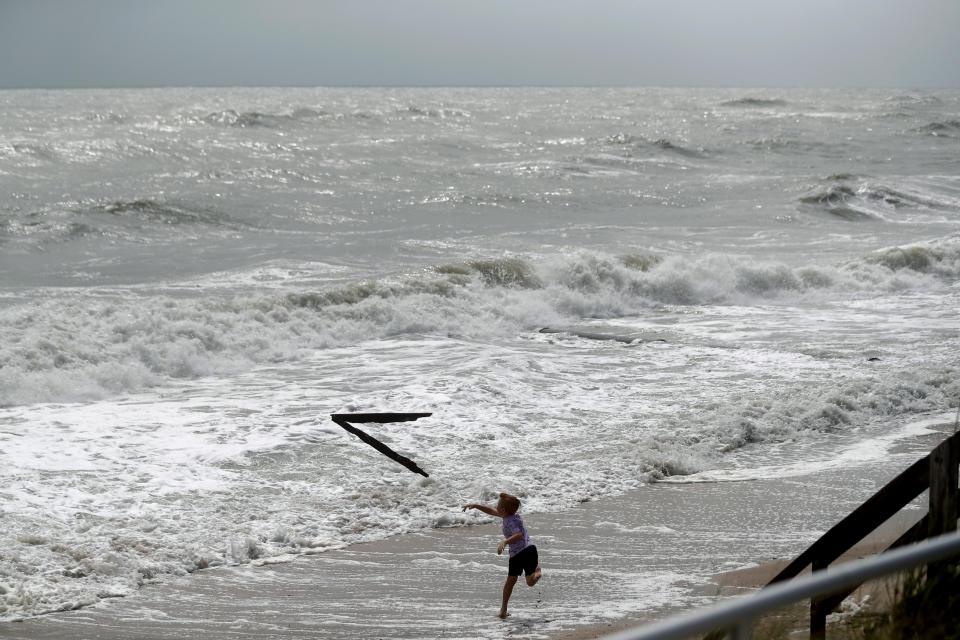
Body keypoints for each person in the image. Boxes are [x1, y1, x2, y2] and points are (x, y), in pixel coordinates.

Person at [462, 492, 542, 618]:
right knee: (513, 582)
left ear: (504, 510)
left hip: (525, 552)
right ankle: (503, 610)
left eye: (498, 505)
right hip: (519, 552)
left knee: (529, 583)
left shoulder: (511, 521)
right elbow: (491, 511)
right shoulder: (510, 515)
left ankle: (537, 572)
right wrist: (476, 505)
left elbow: (519, 535)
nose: (496, 507)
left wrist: (505, 541)